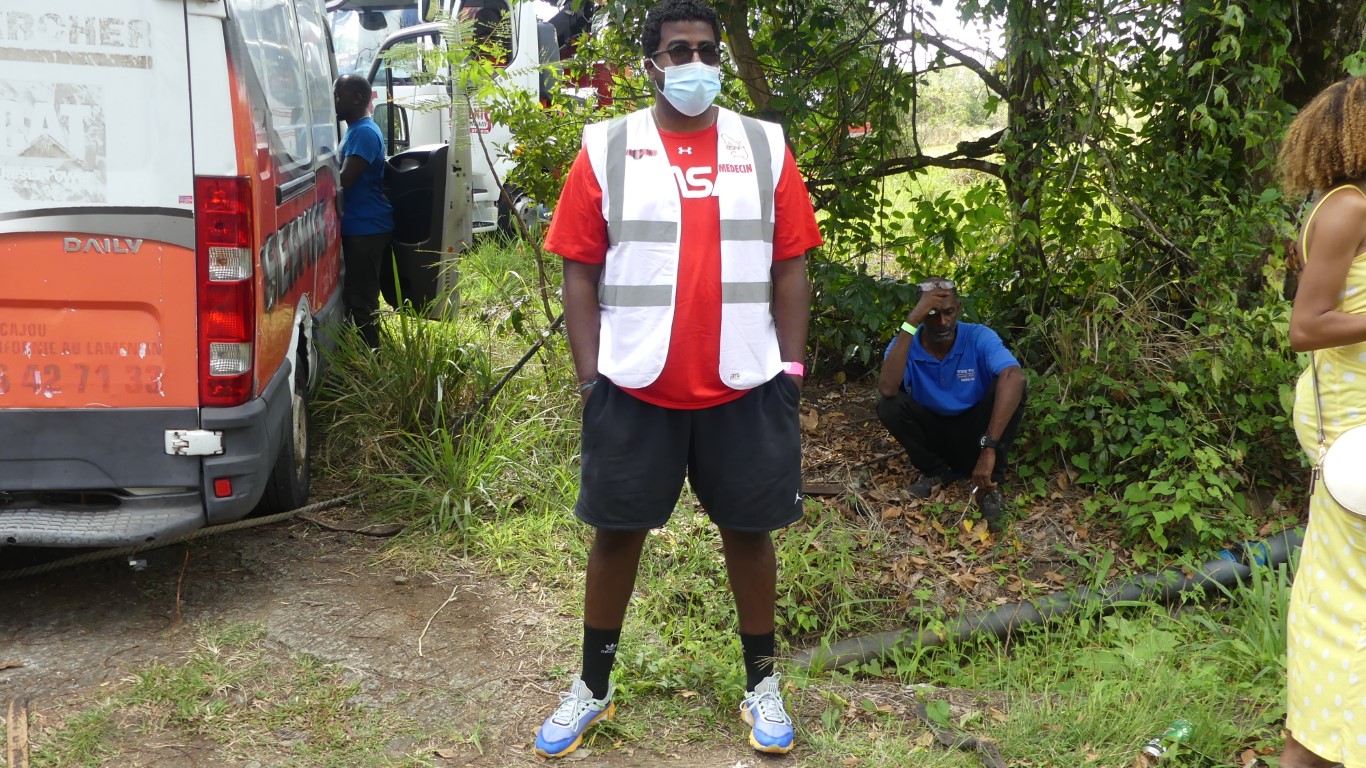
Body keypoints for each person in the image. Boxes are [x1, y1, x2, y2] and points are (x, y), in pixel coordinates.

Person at [533, 0, 823, 758]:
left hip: (746, 381)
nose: (694, 63)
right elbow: (578, 271)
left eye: (705, 50)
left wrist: (791, 371)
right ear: (651, 65)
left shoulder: (763, 144)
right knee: (616, 534)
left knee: (749, 534)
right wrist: (590, 379)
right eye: (678, 51)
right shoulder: (608, 145)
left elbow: (791, 264)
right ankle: (592, 686)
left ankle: (762, 684)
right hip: (633, 383)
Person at [1278, 75, 1366, 768]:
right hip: (1353, 430)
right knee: (1346, 600)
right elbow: (1305, 327)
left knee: (1344, 595)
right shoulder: (1346, 209)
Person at [875, 278, 1025, 531]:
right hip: (935, 434)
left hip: (978, 435)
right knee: (890, 405)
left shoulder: (978, 336)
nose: (942, 322)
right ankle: (936, 471)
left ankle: (990, 483)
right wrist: (910, 323)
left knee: (1011, 384)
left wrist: (988, 447)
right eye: (932, 314)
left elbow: (1015, 376)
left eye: (948, 312)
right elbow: (887, 388)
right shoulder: (906, 342)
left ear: (958, 309)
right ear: (920, 314)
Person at [334, 73, 394, 350]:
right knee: (356, 296)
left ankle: (373, 358)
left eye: (339, 96)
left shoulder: (364, 133)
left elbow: (344, 179)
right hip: (359, 226)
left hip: (366, 228)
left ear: (358, 98)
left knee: (362, 301)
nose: (334, 101)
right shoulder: (356, 130)